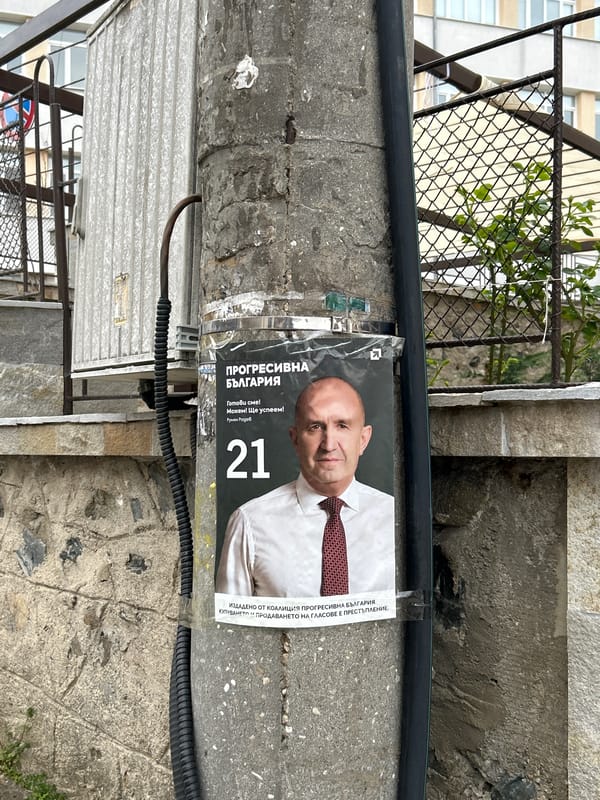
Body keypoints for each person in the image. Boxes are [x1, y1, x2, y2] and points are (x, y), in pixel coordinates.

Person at [215, 376, 395, 597]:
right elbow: (229, 628)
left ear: (364, 439)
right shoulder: (250, 522)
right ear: (295, 439)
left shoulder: (393, 518)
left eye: (342, 426)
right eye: (315, 427)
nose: (329, 445)